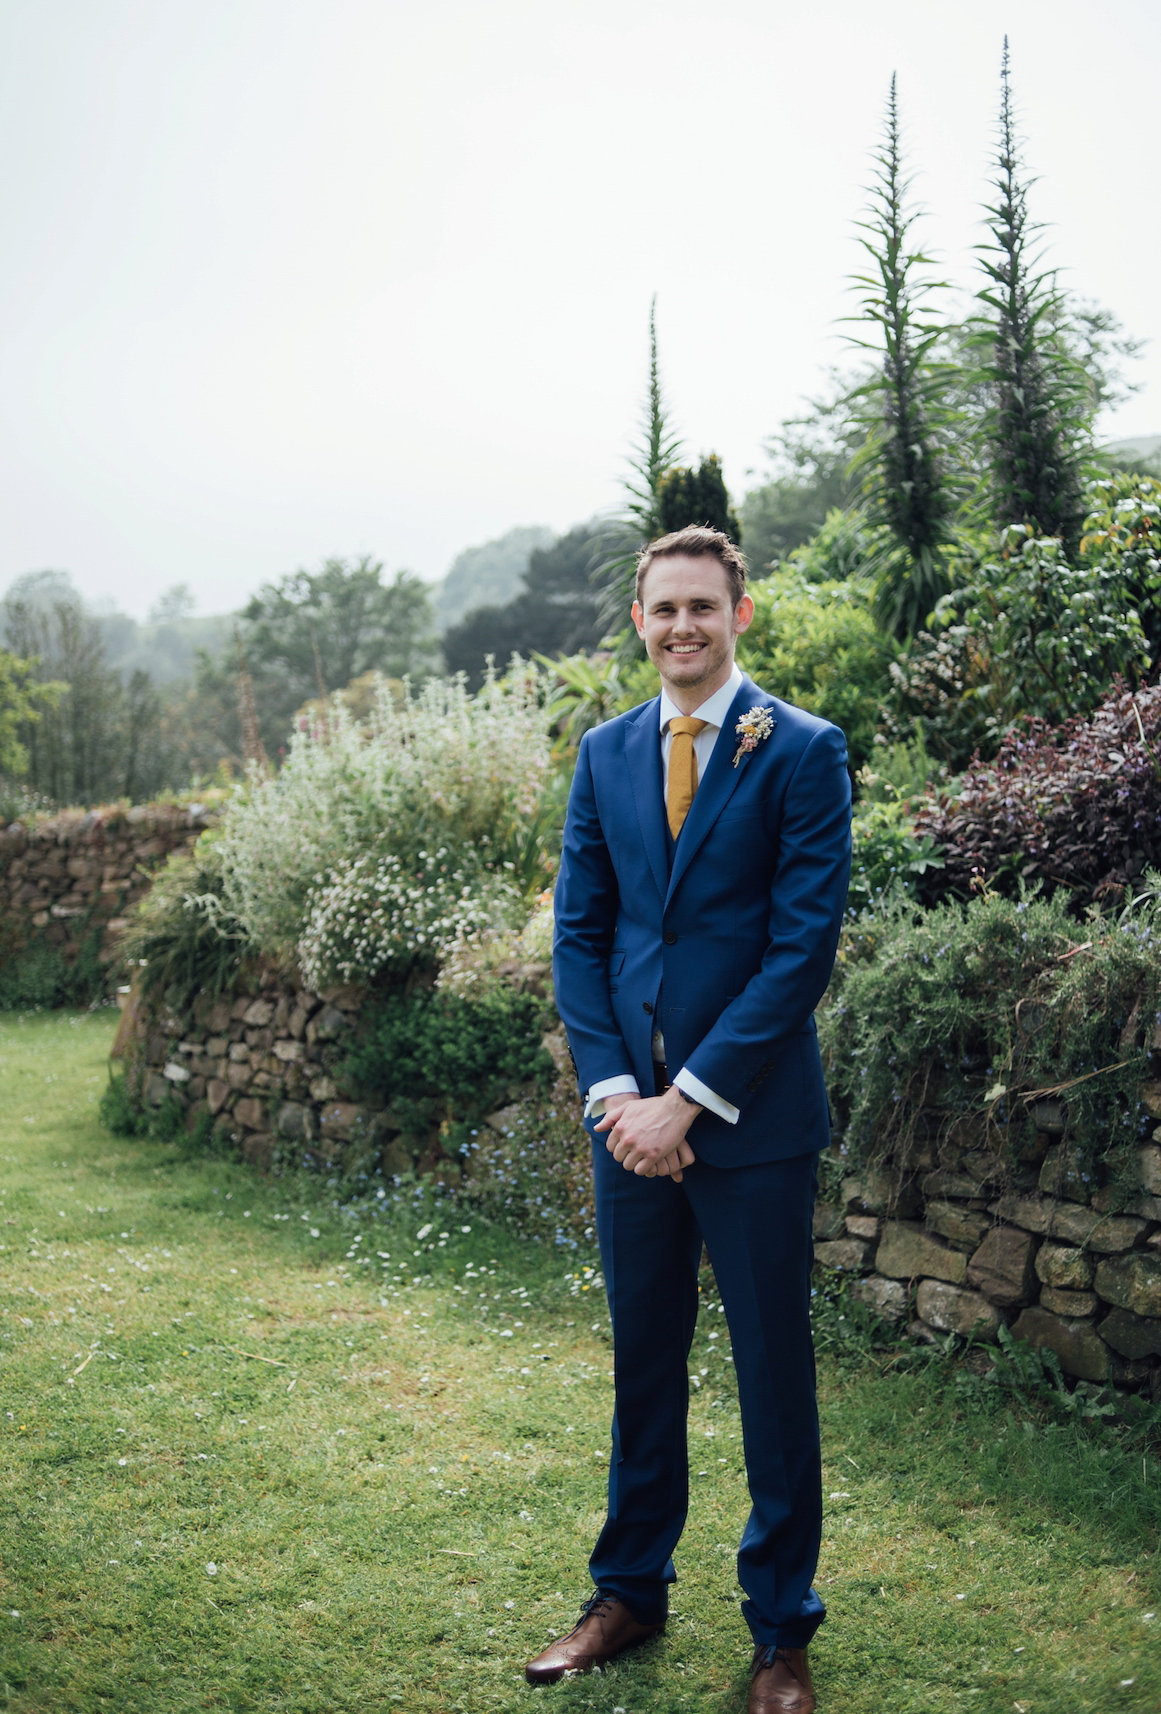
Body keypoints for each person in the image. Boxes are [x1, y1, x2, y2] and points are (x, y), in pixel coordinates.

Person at [530, 525, 852, 1713]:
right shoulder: (607, 752)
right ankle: (628, 1590)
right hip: (630, 1127)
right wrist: (619, 1095)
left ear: (739, 615)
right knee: (643, 1358)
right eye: (662, 609)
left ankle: (781, 1630)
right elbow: (584, 932)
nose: (681, 628)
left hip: (749, 1121)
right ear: (637, 619)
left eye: (702, 609)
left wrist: (689, 1101)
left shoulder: (802, 751)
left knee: (773, 1371)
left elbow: (797, 949)